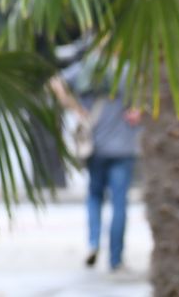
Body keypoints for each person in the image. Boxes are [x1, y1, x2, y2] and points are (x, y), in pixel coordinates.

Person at [60, 60, 142, 272]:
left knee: (94, 196)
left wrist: (76, 108)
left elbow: (54, 82)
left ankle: (93, 242)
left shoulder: (86, 66)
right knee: (119, 203)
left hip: (95, 148)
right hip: (123, 148)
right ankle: (116, 259)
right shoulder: (126, 70)